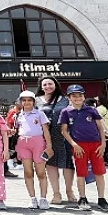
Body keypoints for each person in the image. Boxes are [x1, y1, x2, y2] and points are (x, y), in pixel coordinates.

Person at [60, 84, 108, 212]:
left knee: (99, 172)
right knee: (81, 172)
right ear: (69, 97)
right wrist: (74, 144)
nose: (77, 98)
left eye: (80, 95)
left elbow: (100, 127)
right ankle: (82, 198)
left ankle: (102, 199)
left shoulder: (92, 110)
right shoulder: (66, 112)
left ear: (84, 97)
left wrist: (103, 144)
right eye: (74, 96)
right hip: (79, 145)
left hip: (96, 144)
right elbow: (64, 131)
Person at [35, 76, 76, 204]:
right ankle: (56, 193)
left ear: (56, 85)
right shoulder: (36, 101)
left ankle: (69, 191)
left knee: (68, 164)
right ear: (41, 87)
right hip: (46, 137)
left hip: (64, 135)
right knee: (50, 164)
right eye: (45, 84)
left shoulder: (65, 99)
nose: (48, 86)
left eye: (50, 84)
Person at [13, 90, 53, 210]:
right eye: (24, 100)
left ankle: (43, 198)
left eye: (29, 100)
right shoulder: (18, 115)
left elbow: (46, 130)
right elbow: (16, 130)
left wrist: (49, 145)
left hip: (38, 143)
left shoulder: (40, 114)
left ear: (34, 101)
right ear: (20, 102)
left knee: (41, 172)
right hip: (23, 143)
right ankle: (32, 198)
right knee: (28, 172)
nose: (27, 102)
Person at [95, 98, 108, 164]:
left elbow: (98, 118)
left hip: (104, 128)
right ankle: (106, 159)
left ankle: (104, 159)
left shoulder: (99, 109)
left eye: (98, 101)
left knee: (103, 143)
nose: (97, 102)